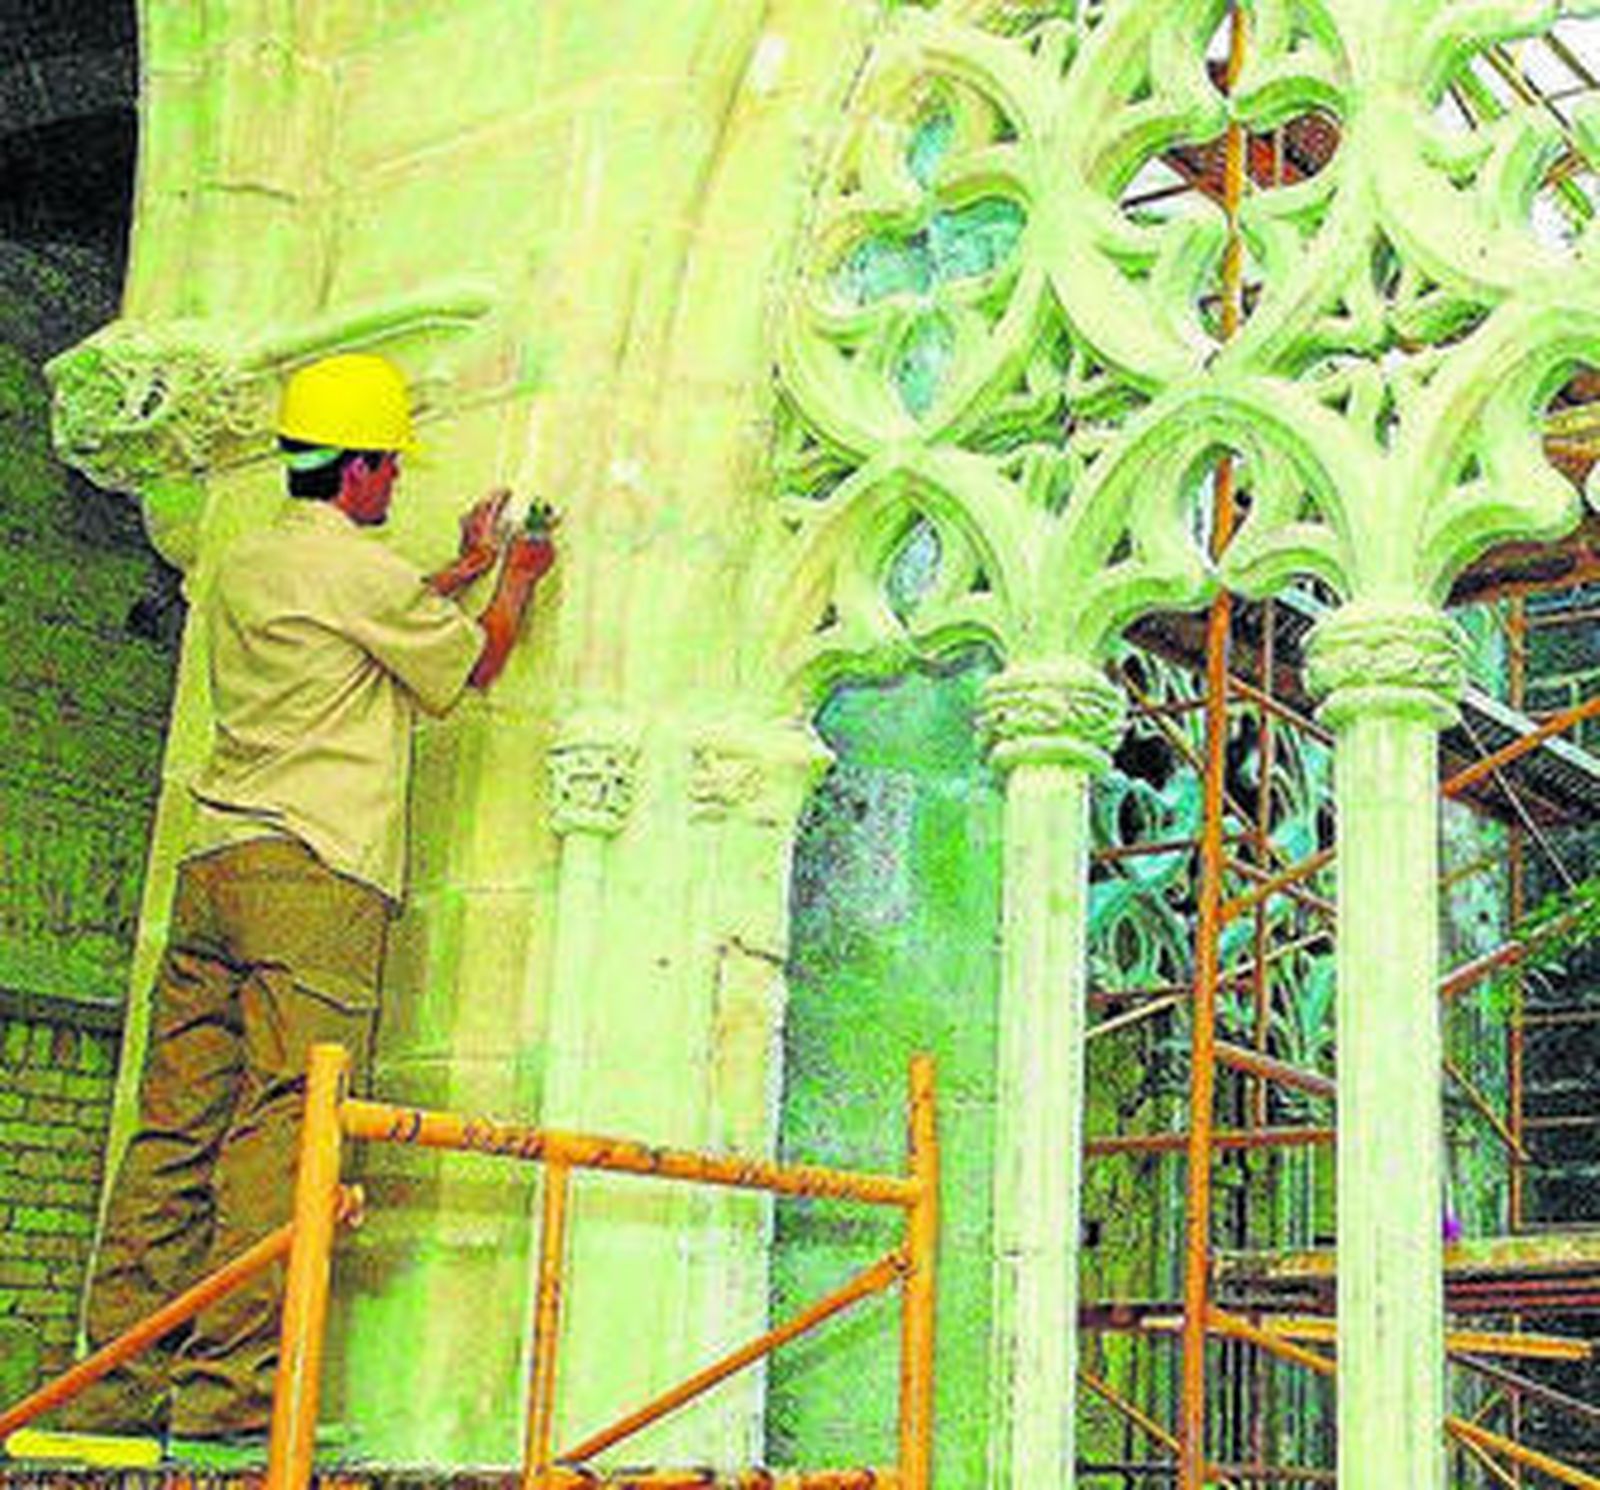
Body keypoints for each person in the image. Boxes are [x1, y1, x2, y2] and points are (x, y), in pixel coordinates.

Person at [54, 352, 555, 1450]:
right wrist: (513, 575)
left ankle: (108, 1390)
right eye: (388, 466)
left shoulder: (243, 562)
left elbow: (355, 622)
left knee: (175, 1130)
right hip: (314, 879)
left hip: (216, 869)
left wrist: (453, 566)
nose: (390, 482)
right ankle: (232, 1403)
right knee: (287, 1135)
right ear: (367, 468)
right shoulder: (361, 575)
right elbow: (471, 667)